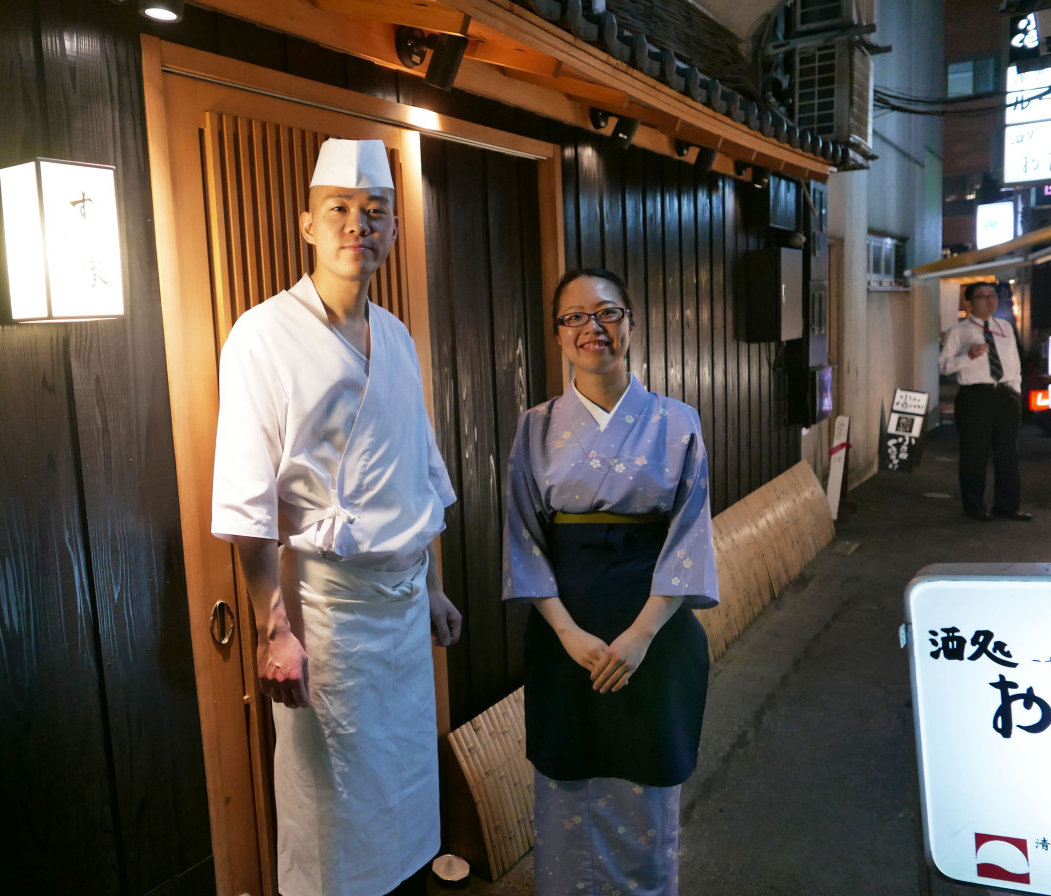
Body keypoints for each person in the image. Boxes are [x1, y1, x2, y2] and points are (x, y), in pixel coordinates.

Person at [211, 138, 462, 896]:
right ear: (308, 225)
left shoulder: (397, 337)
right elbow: (249, 497)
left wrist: (436, 587)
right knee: (331, 816)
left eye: (375, 212)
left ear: (389, 231)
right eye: (341, 210)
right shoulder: (261, 335)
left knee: (407, 801)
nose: (360, 224)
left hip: (403, 610)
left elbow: (421, 470)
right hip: (327, 620)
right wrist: (272, 624)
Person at [503, 268, 719, 895]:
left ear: (630, 322)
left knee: (644, 786)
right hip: (563, 633)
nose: (591, 328)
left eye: (607, 313)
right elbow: (522, 538)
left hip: (652, 631)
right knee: (567, 783)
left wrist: (642, 635)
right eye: (574, 317)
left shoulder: (678, 422)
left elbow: (690, 539)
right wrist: (567, 633)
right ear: (558, 334)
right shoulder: (535, 426)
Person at [937, 281, 1033, 522]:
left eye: (993, 295)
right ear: (970, 303)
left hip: (1005, 394)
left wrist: (1015, 390)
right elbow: (944, 365)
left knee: (1008, 454)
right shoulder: (958, 331)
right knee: (974, 453)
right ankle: (975, 506)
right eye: (982, 296)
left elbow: (1014, 361)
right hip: (975, 395)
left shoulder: (1006, 327)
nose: (990, 300)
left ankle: (1008, 506)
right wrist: (968, 355)